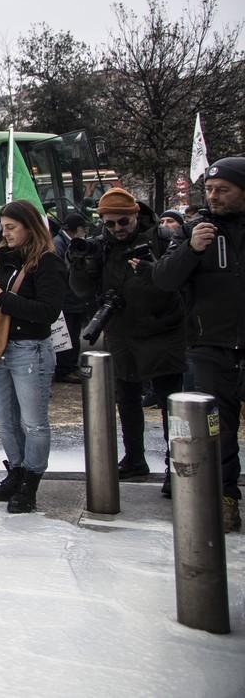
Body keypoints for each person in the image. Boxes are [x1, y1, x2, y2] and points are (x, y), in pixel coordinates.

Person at [67, 189, 186, 489]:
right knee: (127, 400)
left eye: (123, 221)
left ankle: (178, 466)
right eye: (110, 224)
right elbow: (81, 292)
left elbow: (174, 282)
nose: (118, 229)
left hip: (162, 330)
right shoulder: (101, 247)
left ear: (135, 215)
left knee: (170, 404)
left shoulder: (161, 239)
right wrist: (80, 265)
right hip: (121, 331)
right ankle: (134, 458)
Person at [153, 155, 245, 533]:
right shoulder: (195, 229)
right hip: (209, 345)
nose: (214, 196)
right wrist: (191, 248)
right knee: (215, 429)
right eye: (209, 190)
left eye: (223, 190)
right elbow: (163, 280)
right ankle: (224, 497)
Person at [0, 199, 67, 514]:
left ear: (29, 226)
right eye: (3, 228)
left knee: (33, 422)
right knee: (4, 420)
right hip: (0, 350)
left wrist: (4, 297)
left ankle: (30, 483)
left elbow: (47, 312)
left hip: (30, 350)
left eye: (11, 227)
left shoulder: (48, 262)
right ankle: (16, 473)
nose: (5, 234)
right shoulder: (1, 259)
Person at [52, 213, 91, 384]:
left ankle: (70, 366)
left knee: (74, 335)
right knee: (67, 336)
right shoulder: (59, 244)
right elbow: (61, 272)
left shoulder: (65, 243)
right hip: (67, 299)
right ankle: (65, 369)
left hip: (73, 300)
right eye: (83, 229)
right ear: (77, 229)